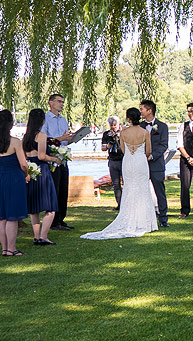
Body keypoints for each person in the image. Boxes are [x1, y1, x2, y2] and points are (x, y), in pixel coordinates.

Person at [81, 107, 159, 240]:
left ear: (128, 118)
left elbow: (123, 149)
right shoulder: (145, 132)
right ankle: (145, 222)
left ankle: (129, 217)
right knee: (143, 189)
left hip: (128, 162)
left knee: (129, 188)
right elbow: (148, 151)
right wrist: (140, 153)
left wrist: (131, 152)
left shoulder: (123, 133)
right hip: (141, 162)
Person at [0, 109, 31, 256]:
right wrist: (27, 175)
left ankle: (4, 249)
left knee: (1, 216)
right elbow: (23, 164)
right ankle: (12, 248)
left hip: (1, 178)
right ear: (10, 124)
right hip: (14, 178)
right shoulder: (15, 142)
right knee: (12, 215)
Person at [23, 108, 61, 246]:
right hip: (42, 171)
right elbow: (41, 156)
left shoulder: (25, 137)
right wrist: (55, 159)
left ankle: (36, 236)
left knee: (34, 207)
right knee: (50, 206)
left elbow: (25, 156)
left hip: (31, 172)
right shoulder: (42, 135)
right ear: (42, 120)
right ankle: (44, 237)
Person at [41, 93, 74, 231]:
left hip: (63, 158)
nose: (61, 104)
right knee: (54, 188)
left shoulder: (63, 120)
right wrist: (60, 138)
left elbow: (64, 139)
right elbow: (44, 139)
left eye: (62, 102)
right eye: (59, 101)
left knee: (63, 188)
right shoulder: (45, 119)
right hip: (52, 158)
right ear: (51, 103)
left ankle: (61, 218)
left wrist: (71, 138)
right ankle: (54, 220)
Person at [139, 99, 170, 227]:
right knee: (141, 192)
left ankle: (163, 219)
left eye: (142, 109)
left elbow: (164, 145)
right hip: (141, 165)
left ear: (149, 110)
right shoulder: (139, 127)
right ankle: (144, 219)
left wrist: (152, 156)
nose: (140, 111)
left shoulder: (162, 126)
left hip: (156, 165)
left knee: (160, 192)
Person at [101, 116, 124, 208]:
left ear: (118, 124)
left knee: (126, 182)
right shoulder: (106, 134)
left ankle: (127, 203)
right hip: (112, 160)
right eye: (111, 125)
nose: (113, 127)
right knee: (116, 184)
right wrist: (107, 146)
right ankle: (119, 204)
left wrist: (118, 137)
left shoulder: (123, 133)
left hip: (123, 159)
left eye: (115, 125)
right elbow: (102, 147)